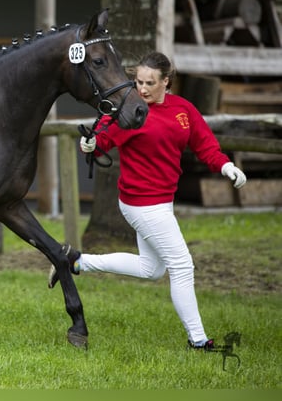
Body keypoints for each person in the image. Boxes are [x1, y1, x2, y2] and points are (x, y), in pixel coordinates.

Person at [49, 51, 247, 351]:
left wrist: (225, 166)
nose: (141, 88)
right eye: (138, 81)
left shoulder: (183, 109)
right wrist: (88, 144)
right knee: (182, 266)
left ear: (166, 81)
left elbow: (205, 144)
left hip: (162, 203)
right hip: (141, 204)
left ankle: (75, 262)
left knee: (151, 269)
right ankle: (198, 340)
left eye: (149, 82)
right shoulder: (130, 112)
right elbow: (99, 142)